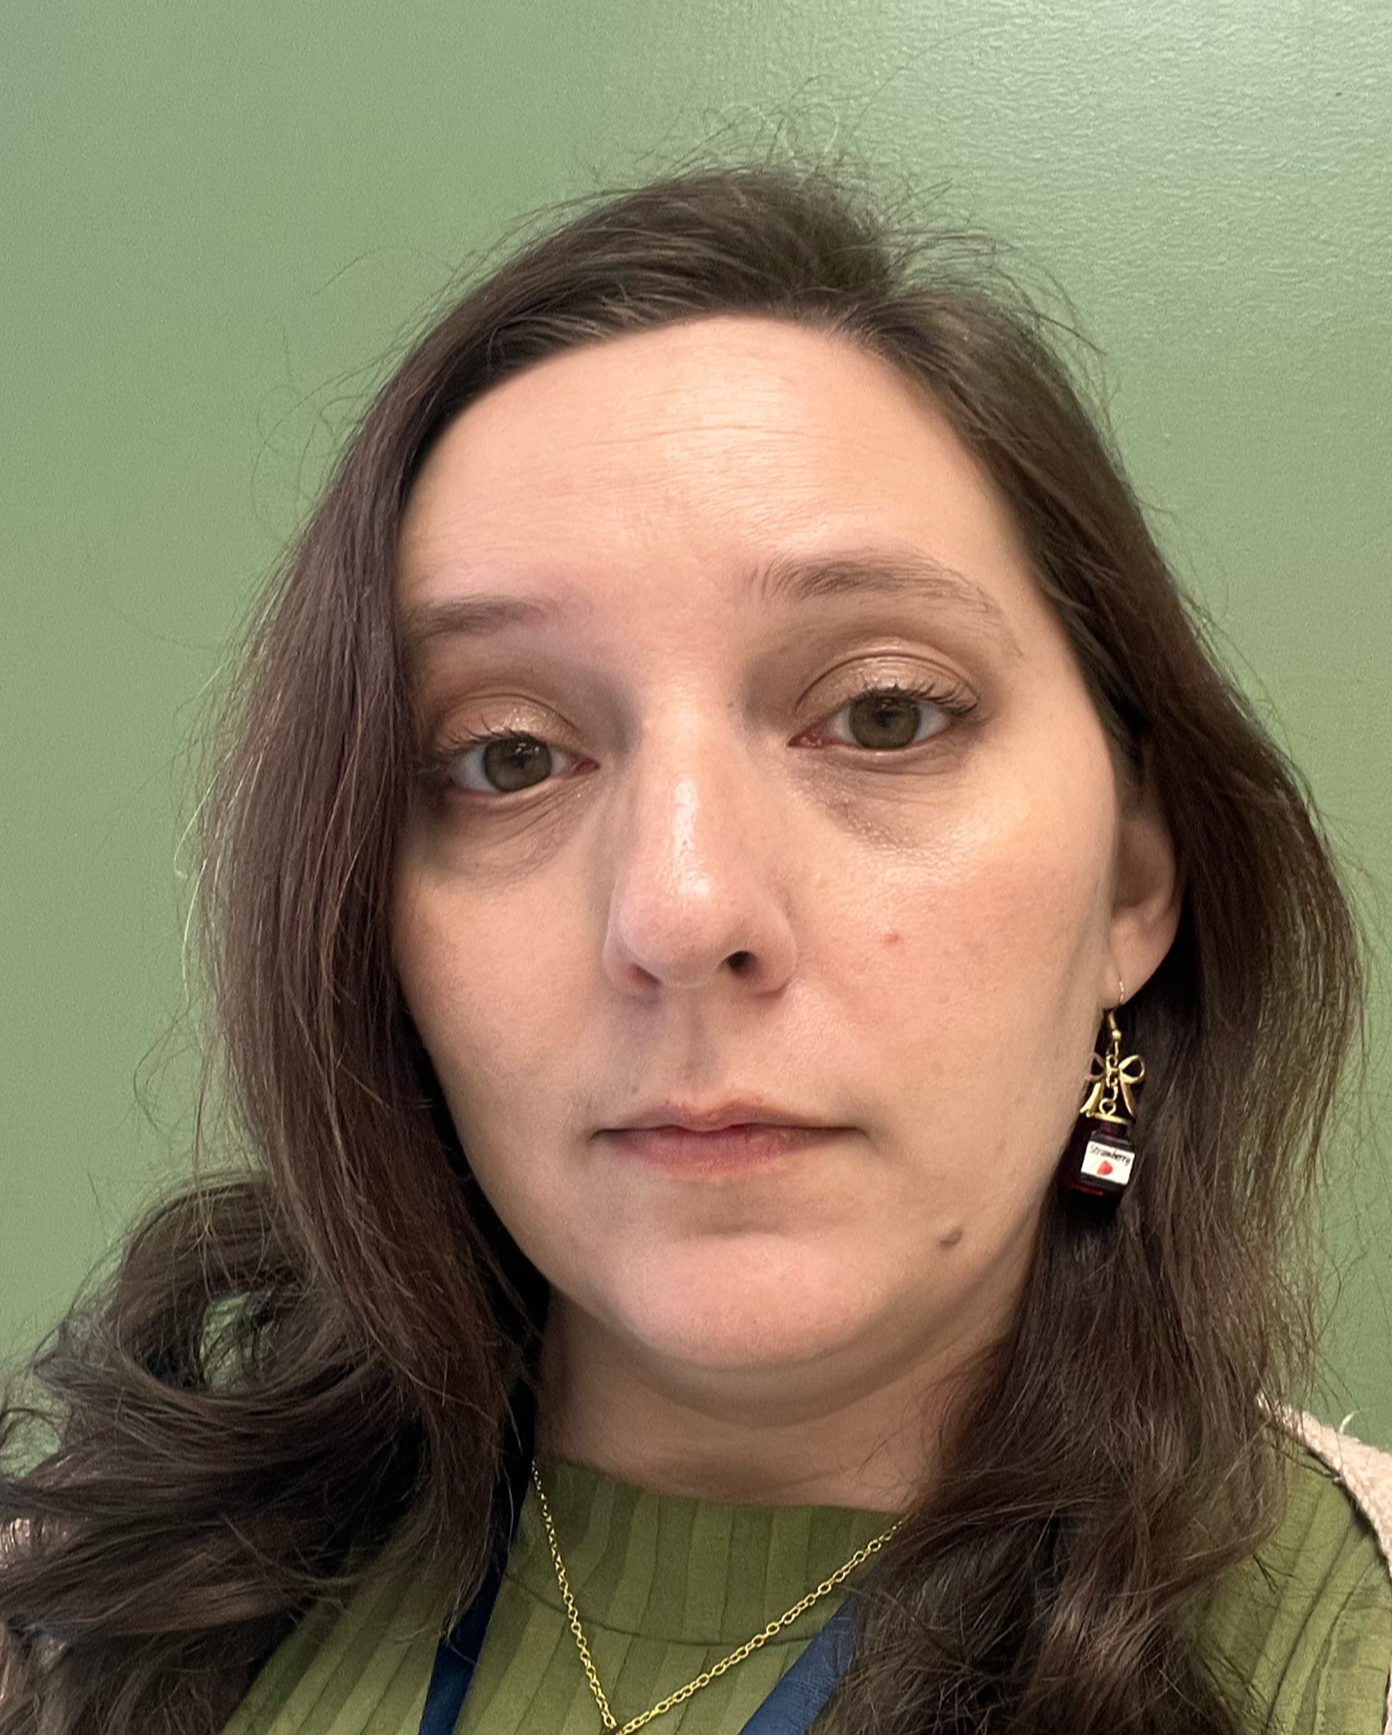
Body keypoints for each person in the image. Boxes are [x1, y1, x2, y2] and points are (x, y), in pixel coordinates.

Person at [1, 162, 1389, 1735]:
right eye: (509, 754)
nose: (680, 908)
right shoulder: (72, 1633)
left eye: (883, 714)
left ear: (1133, 886)